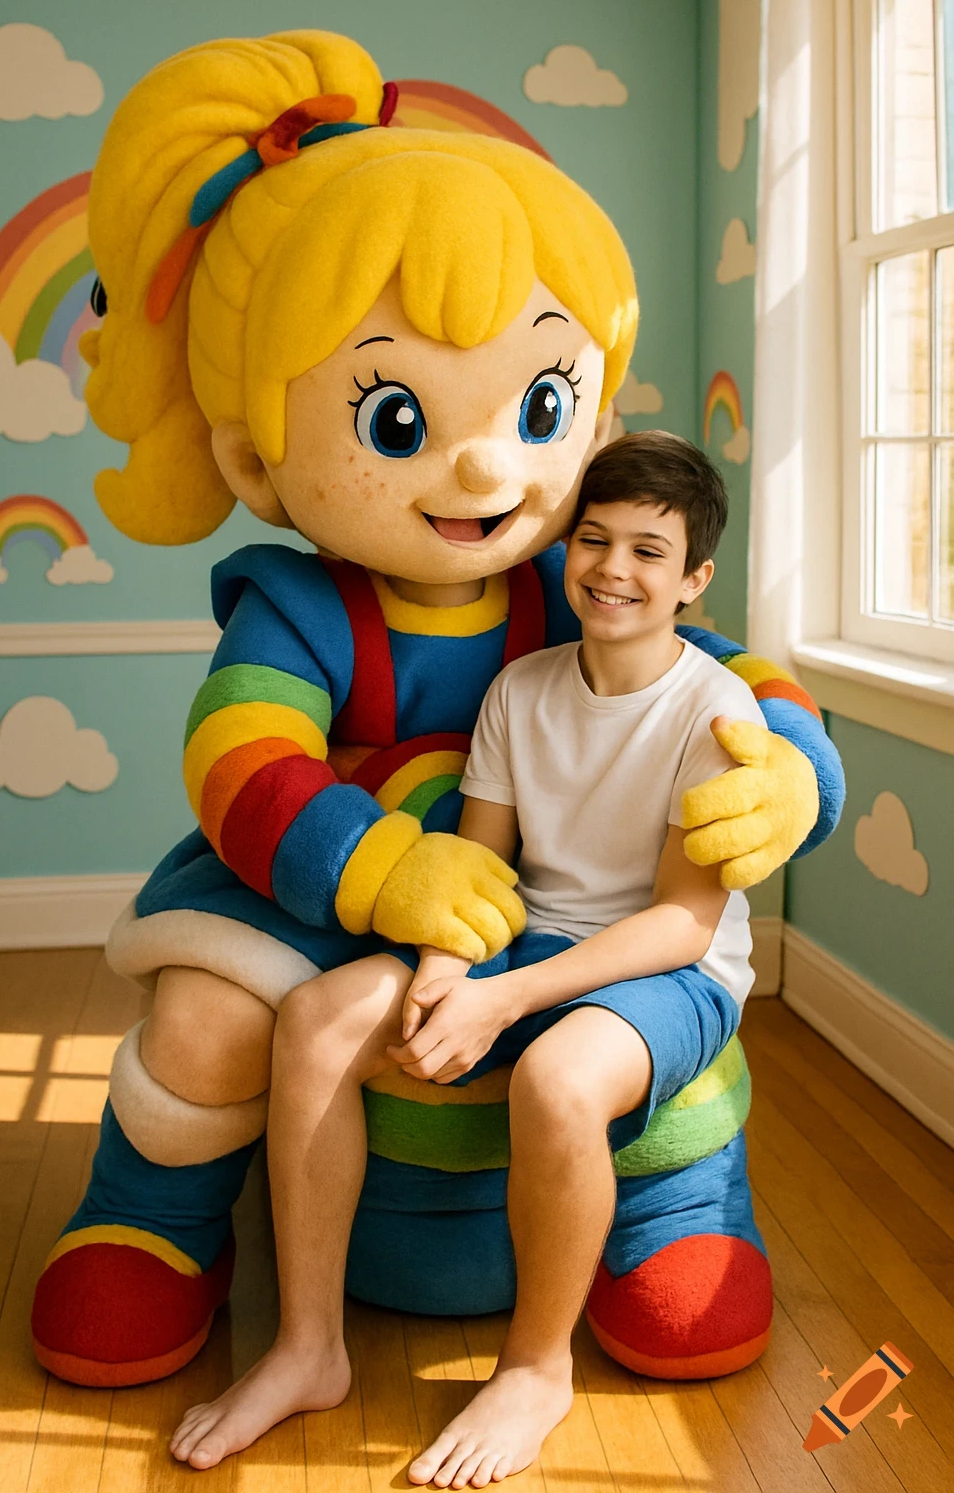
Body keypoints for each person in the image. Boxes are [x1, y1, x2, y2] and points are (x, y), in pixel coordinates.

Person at [30, 29, 843, 1400]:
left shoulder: (572, 571)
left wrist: (798, 771)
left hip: (531, 909)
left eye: (537, 406)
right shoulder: (298, 607)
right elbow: (242, 756)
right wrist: (382, 863)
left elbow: (715, 668)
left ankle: (665, 1223)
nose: (486, 464)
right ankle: (156, 1224)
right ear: (249, 447)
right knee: (210, 1025)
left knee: (607, 1049)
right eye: (397, 417)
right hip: (318, 879)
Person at [168, 429, 772, 1484]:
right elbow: (477, 870)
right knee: (317, 1017)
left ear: (692, 579)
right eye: (593, 540)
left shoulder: (713, 711)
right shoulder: (522, 690)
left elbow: (681, 924)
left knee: (557, 1073)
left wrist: (508, 1003)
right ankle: (308, 1348)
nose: (612, 571)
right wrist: (447, 976)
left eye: (646, 551)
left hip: (667, 972)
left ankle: (536, 1371)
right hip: (527, 937)